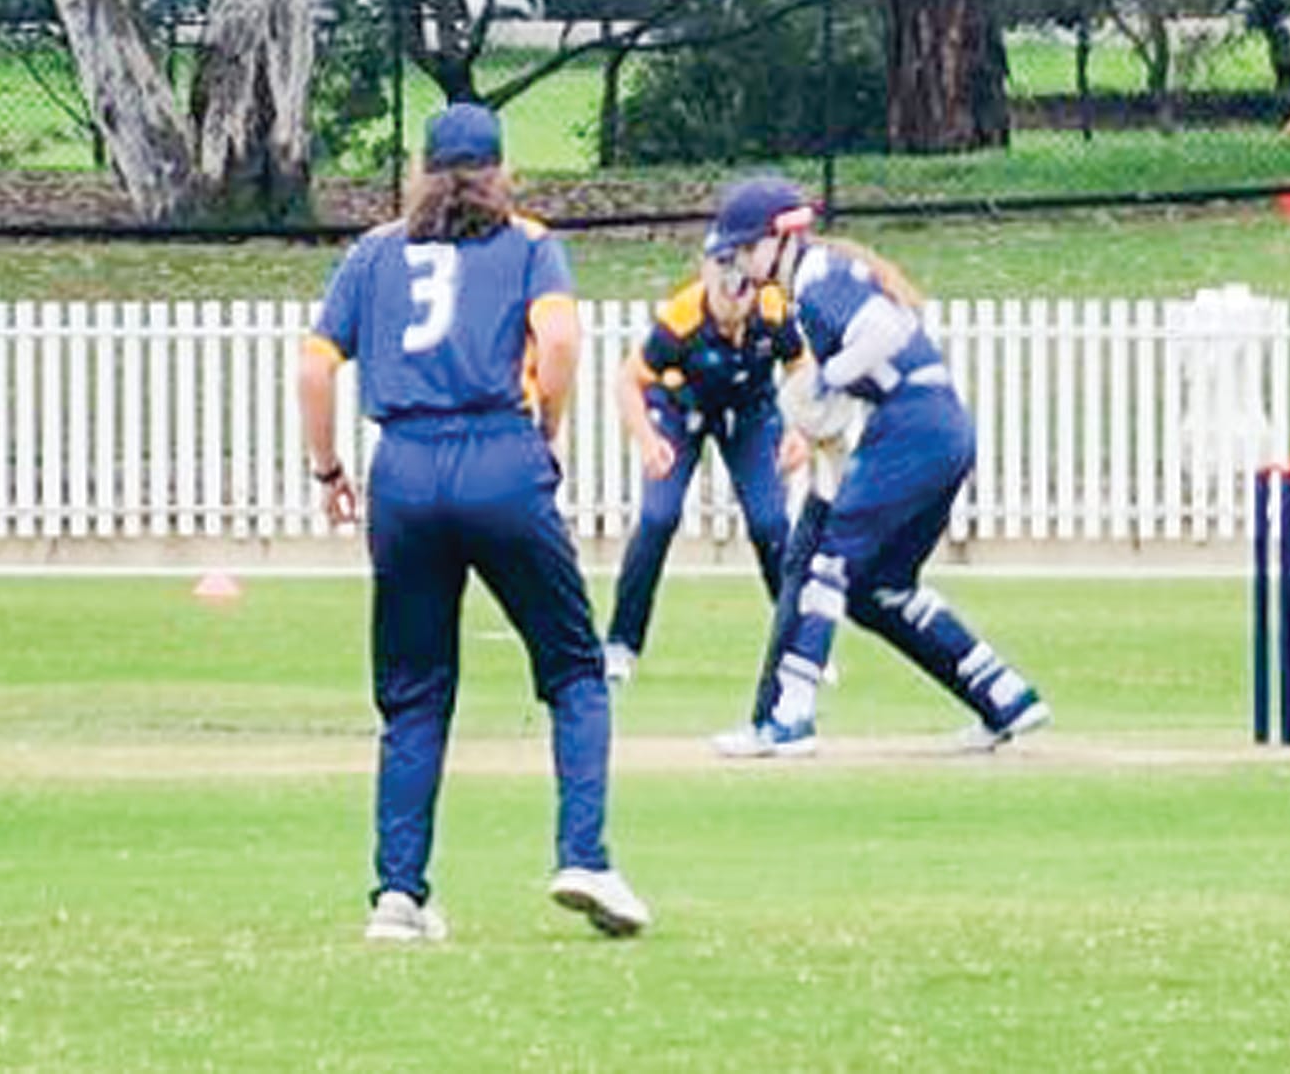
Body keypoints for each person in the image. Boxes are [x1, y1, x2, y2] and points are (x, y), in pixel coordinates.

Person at [298, 102, 649, 943]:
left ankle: (397, 895)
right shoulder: (528, 245)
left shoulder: (375, 252)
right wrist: (547, 426)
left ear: (423, 169)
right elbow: (558, 339)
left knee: (414, 692)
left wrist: (329, 470)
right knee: (572, 669)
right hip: (499, 453)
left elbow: (314, 369)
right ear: (499, 170)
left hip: (405, 470)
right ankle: (583, 856)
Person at [703, 177, 1054, 758]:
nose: (738, 262)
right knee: (878, 589)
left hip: (913, 428)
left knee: (828, 565)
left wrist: (823, 380)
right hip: (936, 428)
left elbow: (885, 332)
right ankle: (1004, 695)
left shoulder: (816, 278)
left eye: (744, 248)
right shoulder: (818, 280)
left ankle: (790, 719)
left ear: (779, 238)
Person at [602, 256, 809, 686]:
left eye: (742, 306)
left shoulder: (771, 308)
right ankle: (621, 645)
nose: (734, 325)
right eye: (725, 309)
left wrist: (800, 429)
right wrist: (647, 441)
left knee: (770, 522)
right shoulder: (682, 316)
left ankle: (800, 645)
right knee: (658, 518)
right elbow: (628, 382)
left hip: (750, 414)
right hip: (681, 412)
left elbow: (802, 367)